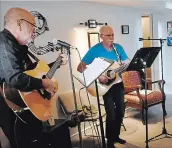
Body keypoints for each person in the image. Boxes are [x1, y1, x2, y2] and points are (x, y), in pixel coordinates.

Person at [0, 8, 68, 148]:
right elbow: (15, 79)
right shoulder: (3, 43)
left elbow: (35, 73)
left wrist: (57, 63)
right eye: (32, 26)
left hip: (27, 108)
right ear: (20, 24)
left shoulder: (19, 46)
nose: (35, 32)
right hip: (14, 109)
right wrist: (43, 83)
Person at [77, 25, 128, 148]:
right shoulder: (95, 50)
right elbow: (80, 67)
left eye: (113, 35)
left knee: (121, 111)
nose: (111, 37)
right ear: (101, 36)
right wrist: (97, 75)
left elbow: (126, 62)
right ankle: (109, 140)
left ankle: (116, 135)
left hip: (118, 84)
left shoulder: (118, 48)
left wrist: (125, 64)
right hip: (105, 86)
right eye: (108, 35)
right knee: (111, 113)